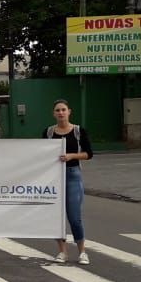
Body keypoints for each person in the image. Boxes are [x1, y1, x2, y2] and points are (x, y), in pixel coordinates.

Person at [44, 99, 94, 265]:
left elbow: (88, 153)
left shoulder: (78, 131)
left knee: (74, 217)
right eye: (57, 110)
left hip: (72, 174)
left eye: (63, 109)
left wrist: (72, 156)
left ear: (69, 111)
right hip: (54, 177)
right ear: (53, 113)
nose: (60, 113)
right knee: (55, 217)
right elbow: (41, 153)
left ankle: (82, 252)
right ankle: (62, 251)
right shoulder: (49, 132)